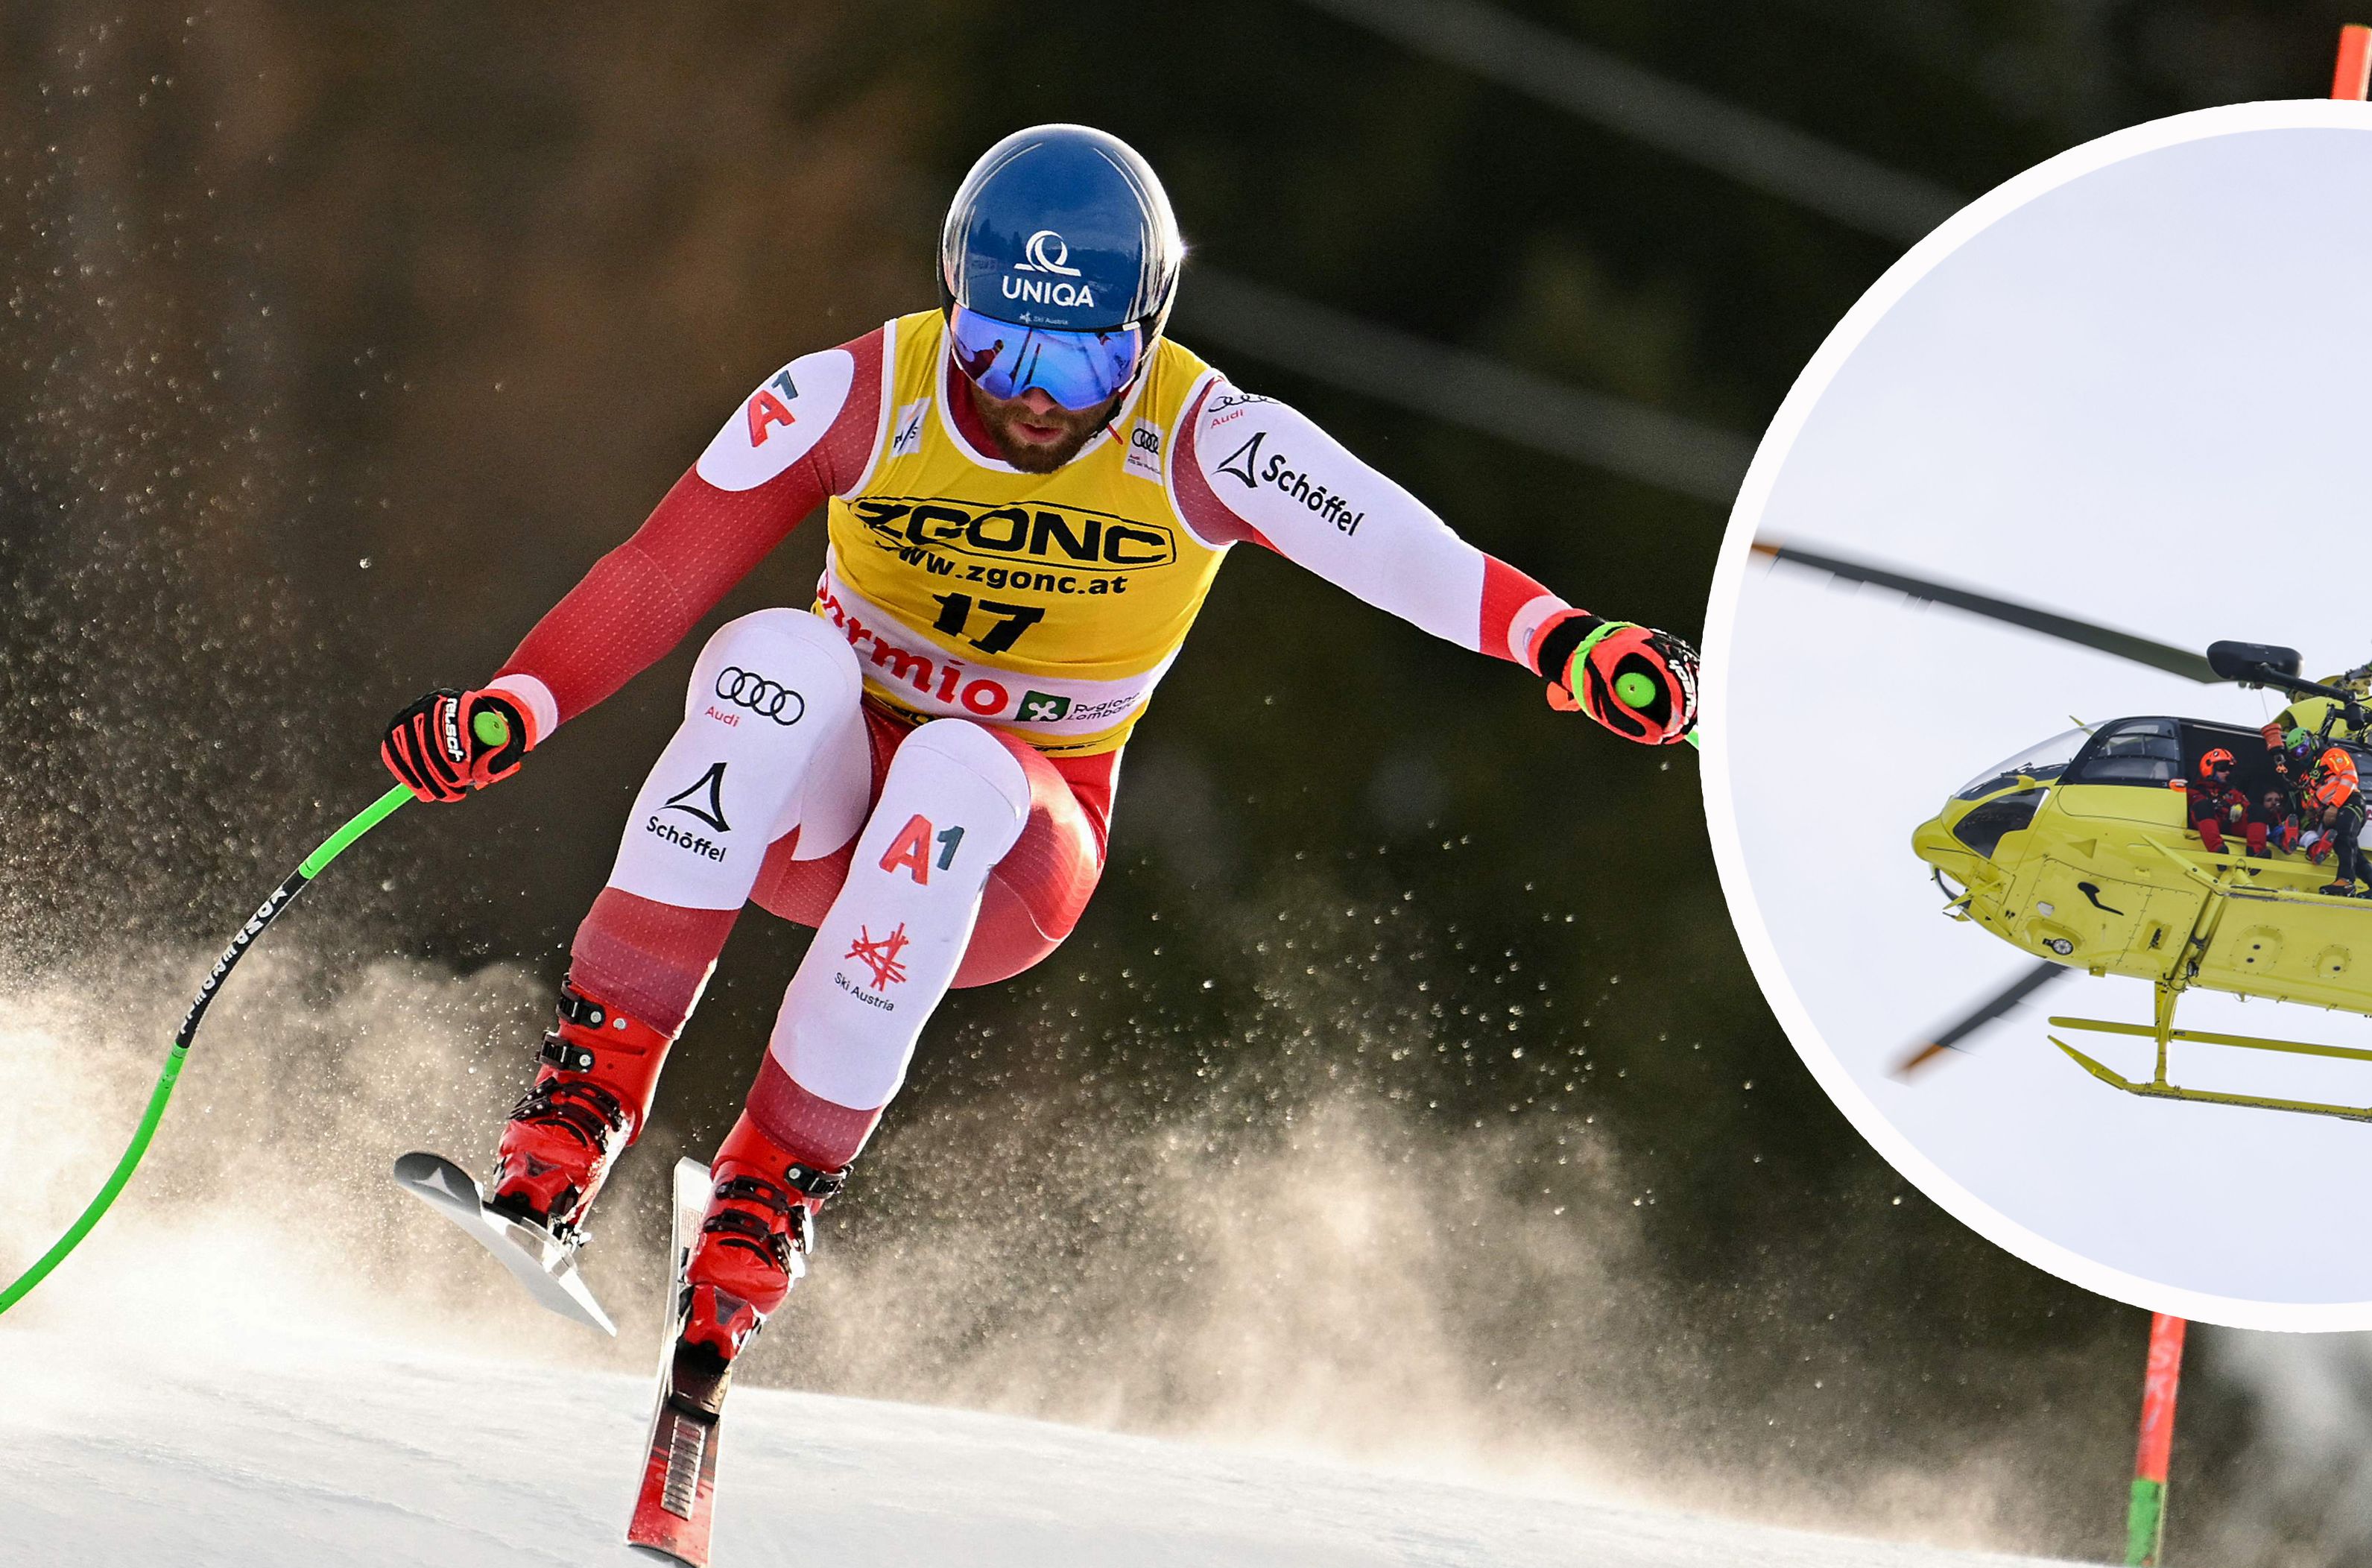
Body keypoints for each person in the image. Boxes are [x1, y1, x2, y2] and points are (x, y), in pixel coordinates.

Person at [378, 125, 1698, 1380]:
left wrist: (1563, 642)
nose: (1024, 402)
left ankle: (763, 1203)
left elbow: (1402, 553)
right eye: (997, 347)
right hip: (821, 813)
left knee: (957, 762)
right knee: (774, 655)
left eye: (1072, 366)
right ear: (953, 303)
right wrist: (518, 706)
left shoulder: (1205, 439)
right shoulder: (858, 390)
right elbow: (664, 568)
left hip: (1006, 850)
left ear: (1145, 339)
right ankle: (572, 1123)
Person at [2280, 727, 2372, 899]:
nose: (2300, 755)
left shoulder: (2332, 755)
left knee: (2345, 837)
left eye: (2302, 750)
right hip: (2329, 811)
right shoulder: (2306, 775)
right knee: (2348, 848)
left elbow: (2349, 777)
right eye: (2295, 754)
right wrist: (2311, 809)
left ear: (2312, 743)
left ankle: (2345, 881)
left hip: (2349, 802)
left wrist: (2334, 806)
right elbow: (2309, 798)